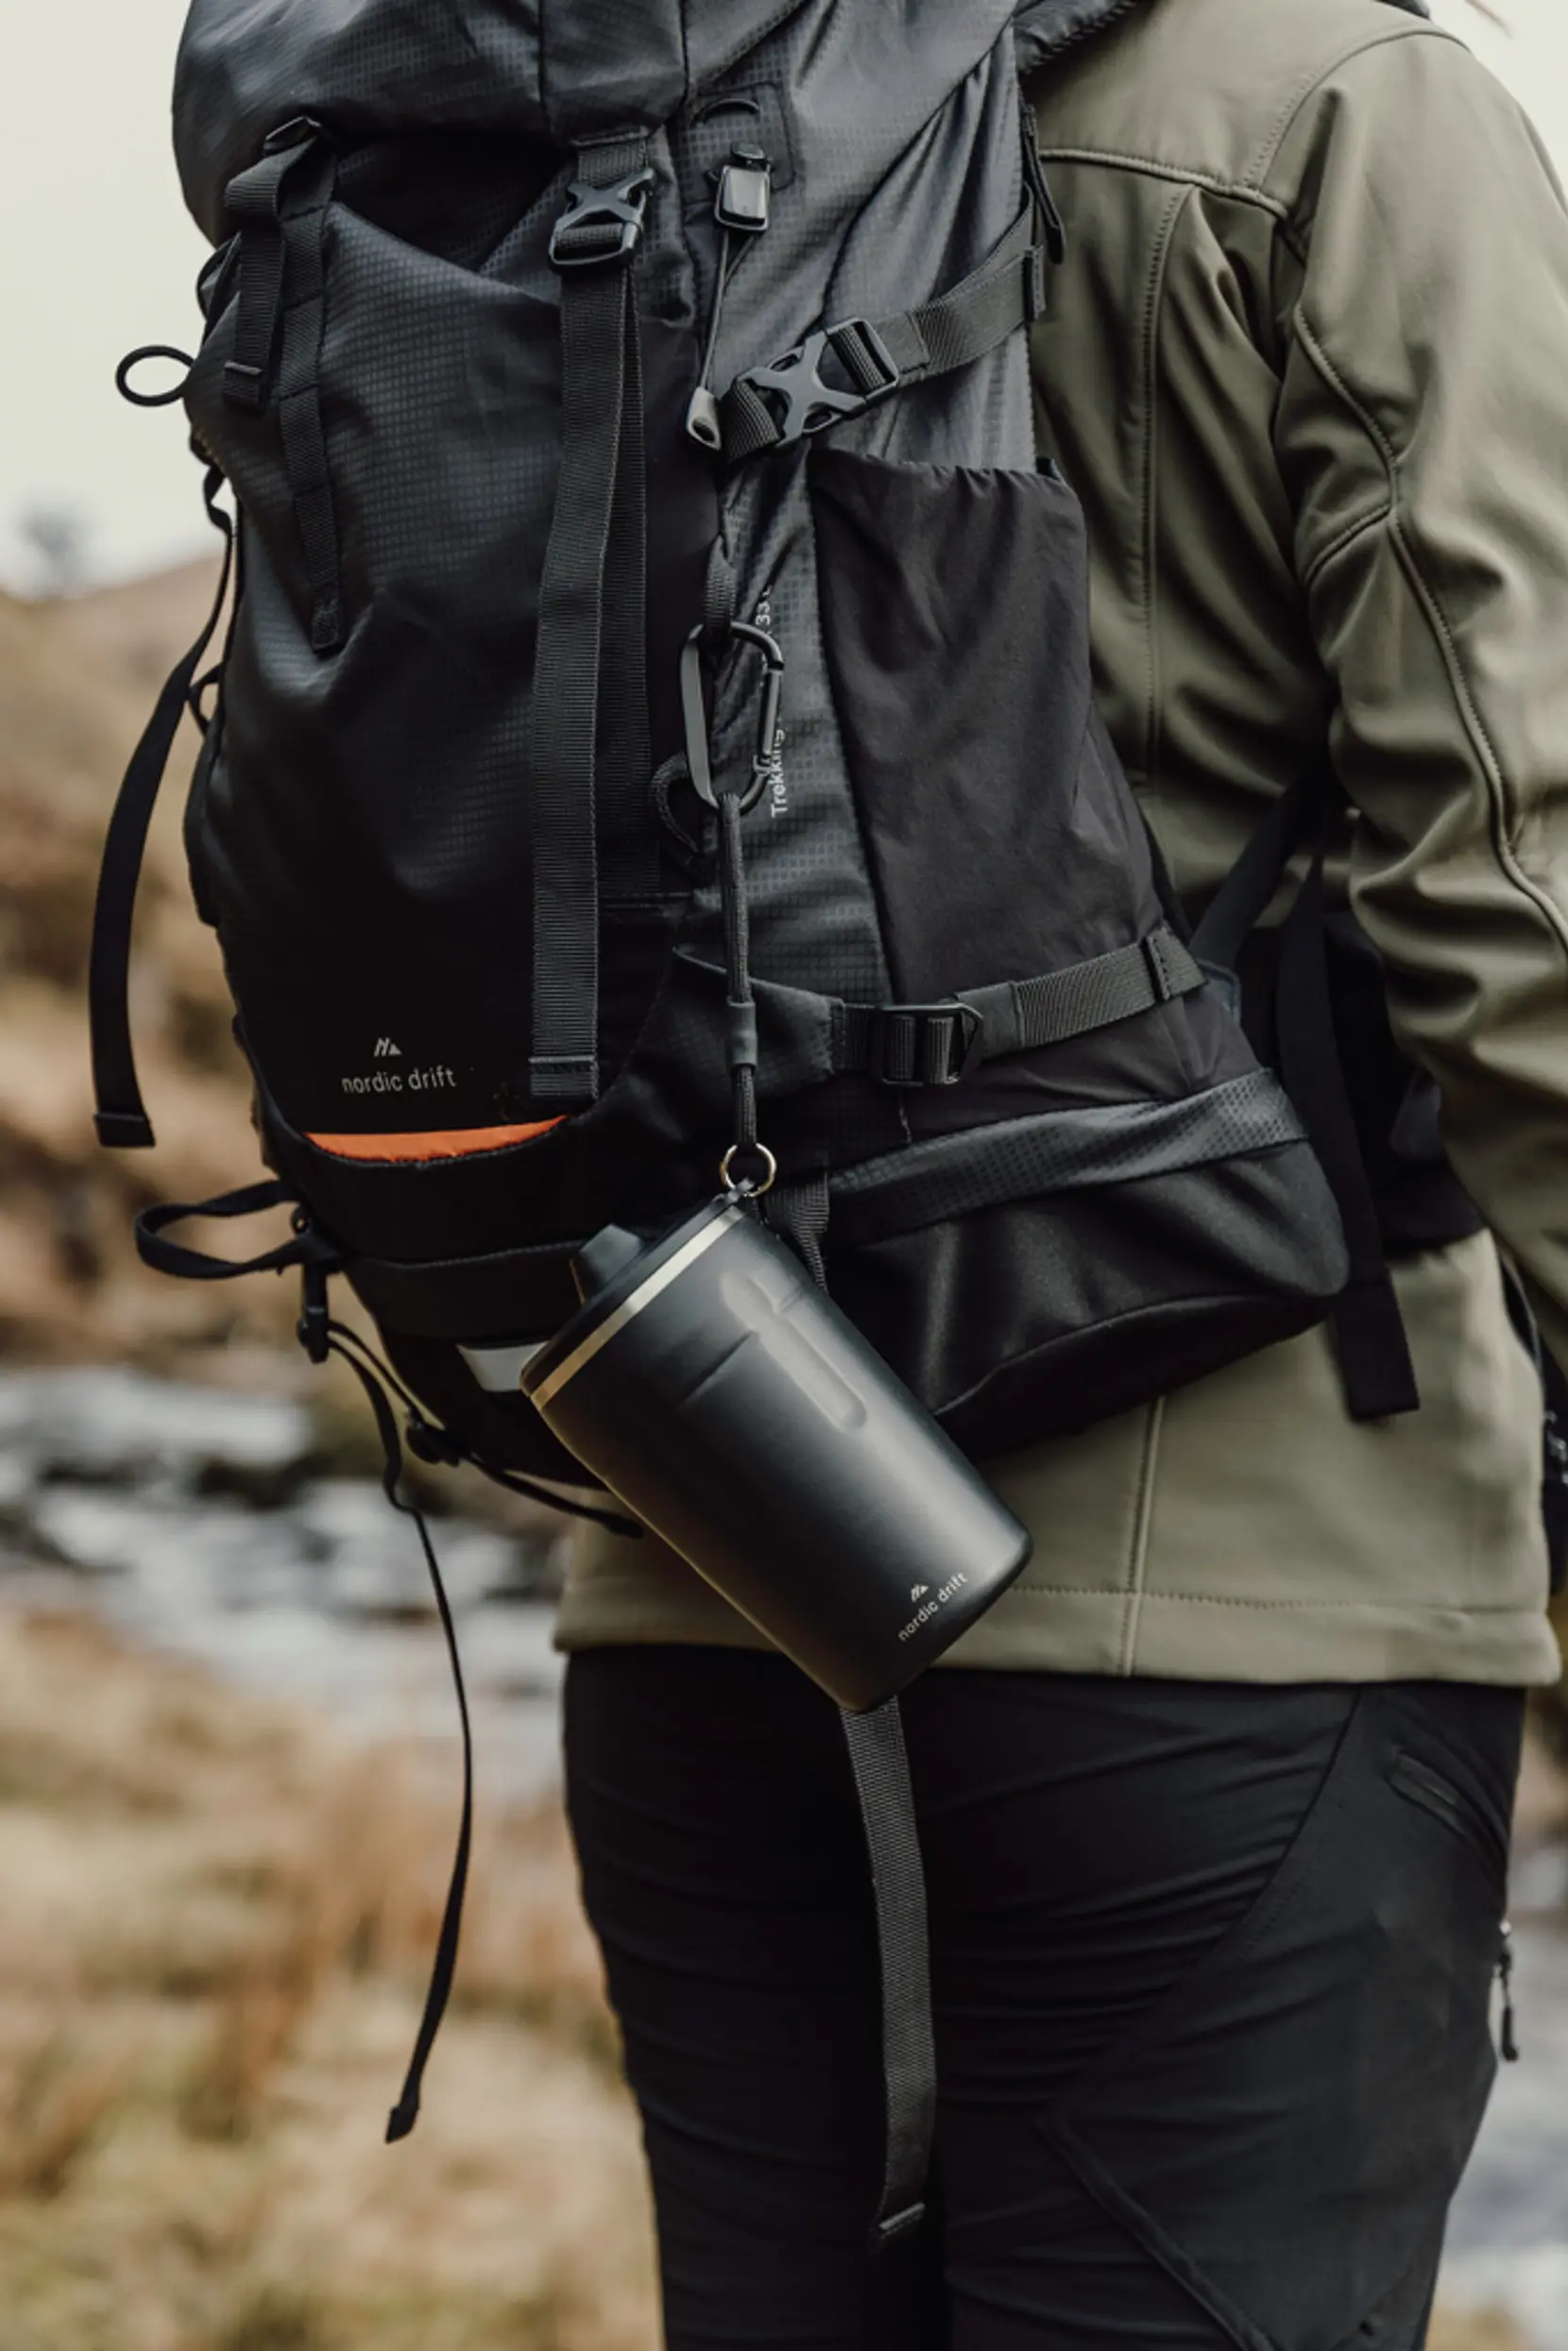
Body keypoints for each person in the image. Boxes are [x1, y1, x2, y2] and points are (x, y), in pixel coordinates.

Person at [557, 0, 1568, 2341]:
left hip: (699, 1532)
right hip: (1233, 1608)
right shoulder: (1331, 103)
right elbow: (1517, 880)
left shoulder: (617, 78)